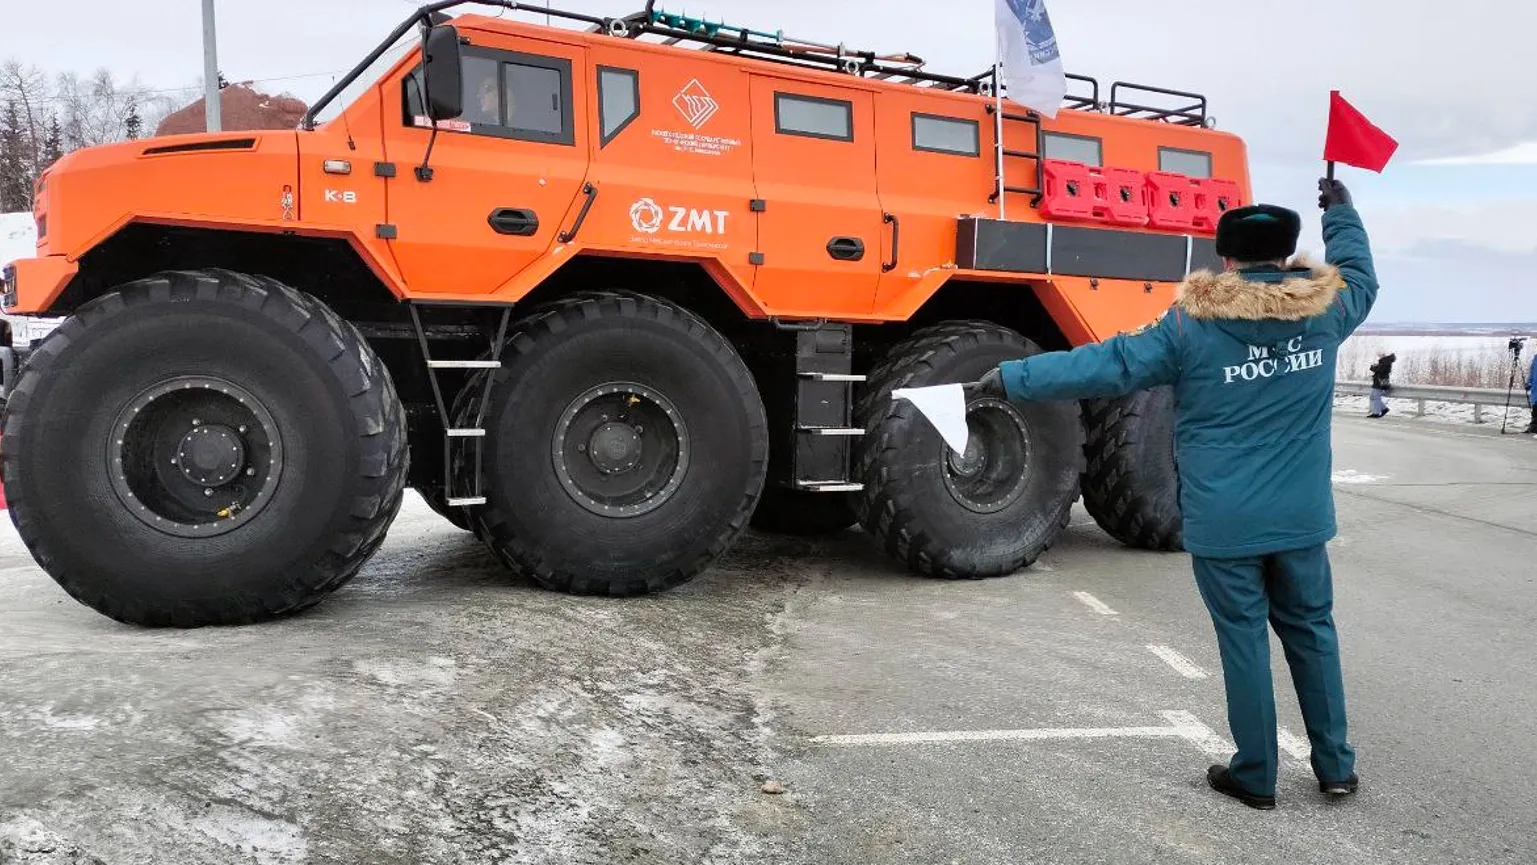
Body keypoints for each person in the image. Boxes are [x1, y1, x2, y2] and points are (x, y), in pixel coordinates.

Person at [966, 178, 1370, 809]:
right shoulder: (1329, 312)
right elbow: (1361, 275)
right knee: (1312, 631)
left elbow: (1106, 364)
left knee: (1243, 640)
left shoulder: (1190, 328)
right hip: (1301, 517)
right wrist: (1342, 214)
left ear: (1226, 259)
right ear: (1288, 255)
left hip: (1224, 521)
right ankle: (1336, 767)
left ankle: (1256, 775)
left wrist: (1013, 376)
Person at [1367, 352, 1395, 417]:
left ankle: (1376, 413)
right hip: (1377, 382)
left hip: (1380, 383)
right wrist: (1374, 367)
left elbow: (1377, 369)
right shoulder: (1383, 362)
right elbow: (1376, 369)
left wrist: (1374, 367)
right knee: (1372, 396)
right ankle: (1384, 409)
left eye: (1380, 355)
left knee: (1376, 397)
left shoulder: (1386, 362)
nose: (1379, 356)